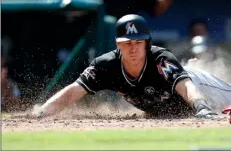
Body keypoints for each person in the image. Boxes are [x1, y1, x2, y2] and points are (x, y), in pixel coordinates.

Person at [32, 14, 231, 119]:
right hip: (171, 109)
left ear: (147, 42)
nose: (133, 48)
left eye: (138, 42)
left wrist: (201, 107)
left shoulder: (160, 58)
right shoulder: (106, 66)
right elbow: (73, 92)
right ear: (118, 44)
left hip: (198, 86)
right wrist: (42, 111)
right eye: (127, 43)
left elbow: (187, 87)